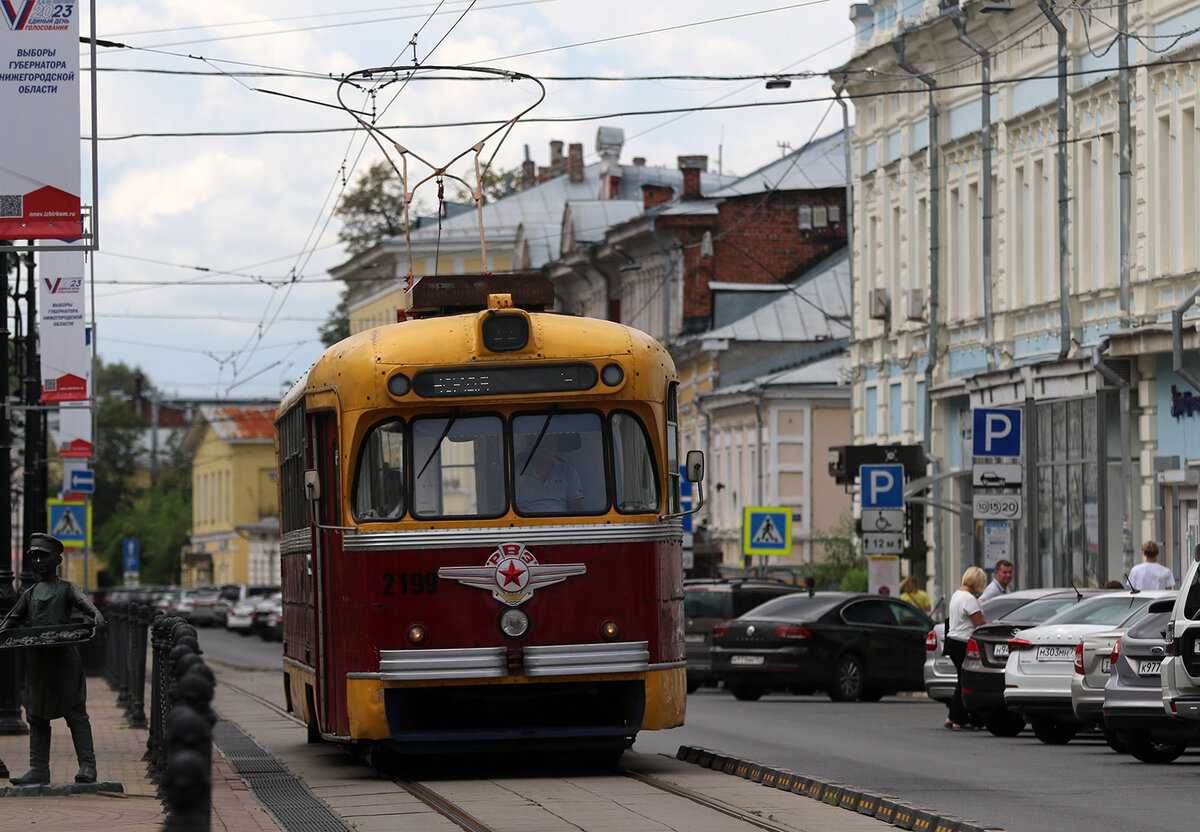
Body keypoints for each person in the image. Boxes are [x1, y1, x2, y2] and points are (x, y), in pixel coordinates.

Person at [0, 533, 106, 785]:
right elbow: (11, 621)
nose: (37, 562)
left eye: (42, 557)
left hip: (65, 659)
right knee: (36, 714)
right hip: (38, 661)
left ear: (57, 560)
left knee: (75, 712)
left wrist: (97, 616)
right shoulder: (30, 593)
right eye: (33, 557)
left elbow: (86, 606)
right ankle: (38, 768)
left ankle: (87, 766)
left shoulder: (67, 588)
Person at [944, 565, 988, 730]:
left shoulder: (956, 595)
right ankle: (961, 719)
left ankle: (953, 717)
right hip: (963, 642)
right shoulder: (969, 599)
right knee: (966, 682)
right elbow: (979, 624)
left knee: (961, 680)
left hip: (952, 640)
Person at [514, 433, 583, 513]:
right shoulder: (518, 474)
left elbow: (577, 509)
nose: (544, 448)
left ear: (555, 444)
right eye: (540, 444)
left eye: (548, 444)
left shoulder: (569, 473)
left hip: (562, 523)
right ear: (532, 446)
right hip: (526, 523)